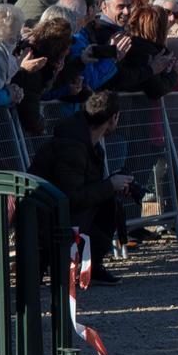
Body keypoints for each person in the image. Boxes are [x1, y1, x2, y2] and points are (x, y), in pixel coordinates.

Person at [29, 91, 139, 283]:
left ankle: (92, 265)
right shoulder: (73, 147)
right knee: (107, 204)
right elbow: (71, 197)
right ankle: (53, 260)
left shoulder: (87, 142)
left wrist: (114, 184)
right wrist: (109, 185)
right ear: (114, 118)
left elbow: (85, 189)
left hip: (54, 212)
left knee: (109, 202)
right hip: (45, 218)